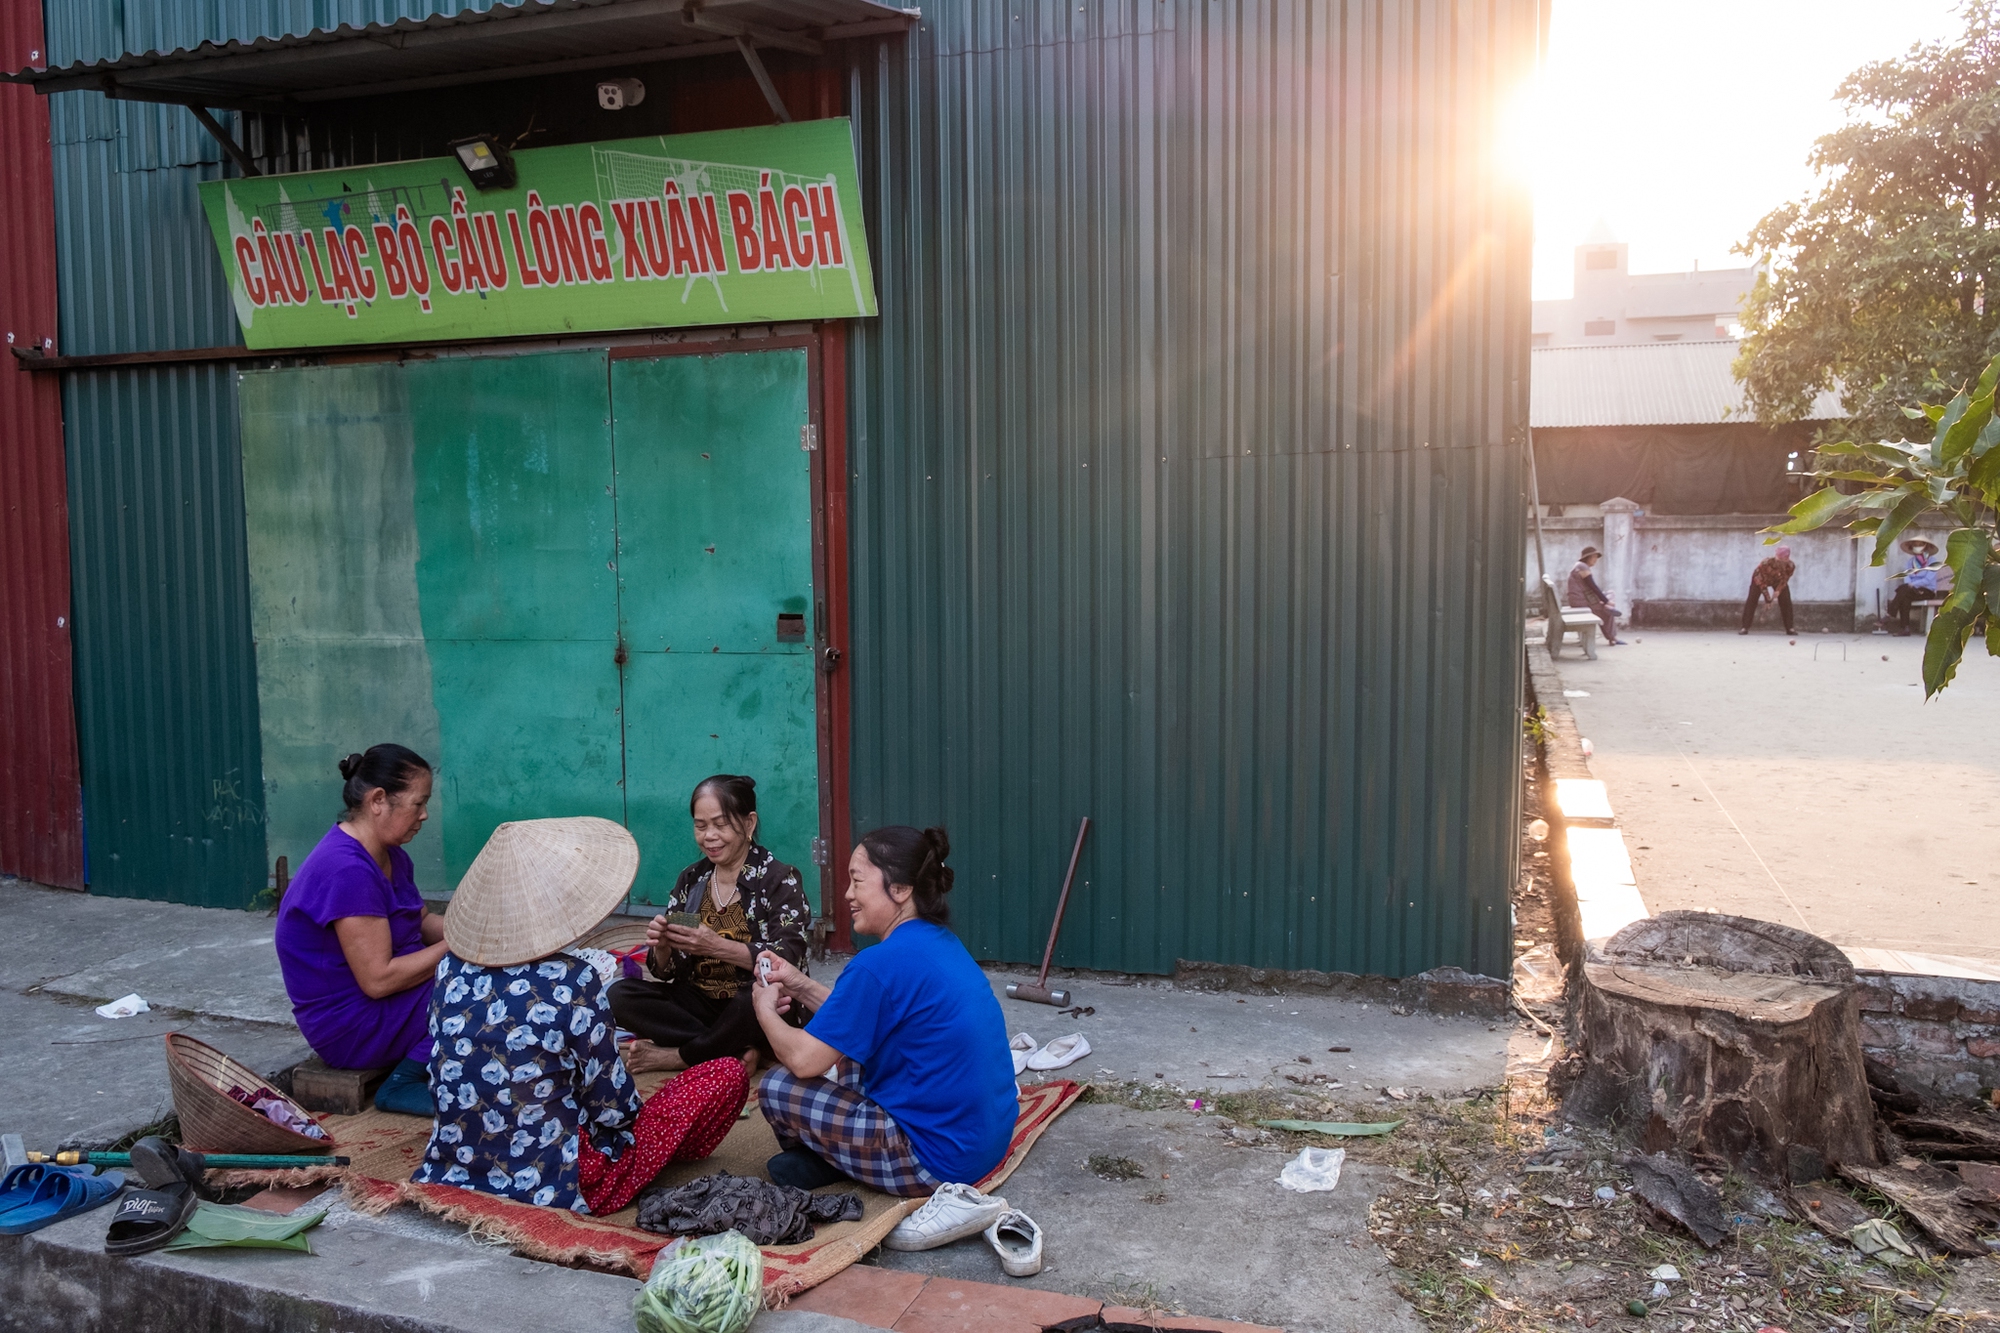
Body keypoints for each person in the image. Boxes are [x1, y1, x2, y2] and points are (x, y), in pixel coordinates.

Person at [413, 817, 750, 1215]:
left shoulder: (451, 967)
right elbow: (613, 1108)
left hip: (457, 1164)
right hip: (558, 1179)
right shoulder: (572, 979)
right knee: (726, 1074)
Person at [749, 826, 1017, 1199]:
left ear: (901, 889)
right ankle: (835, 1159)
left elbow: (804, 1060)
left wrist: (764, 1011)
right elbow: (856, 1018)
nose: (847, 894)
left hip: (936, 1163)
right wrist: (799, 984)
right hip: (985, 1144)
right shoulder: (938, 940)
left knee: (779, 1086)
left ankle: (827, 1158)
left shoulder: (878, 963)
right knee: (850, 1045)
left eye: (857, 881)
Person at [275, 745, 448, 1116]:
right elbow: (379, 980)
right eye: (418, 803)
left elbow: (418, 922)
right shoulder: (346, 869)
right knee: (472, 985)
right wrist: (460, 946)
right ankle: (404, 1083)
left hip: (390, 1002)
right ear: (378, 800)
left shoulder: (391, 855)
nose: (424, 814)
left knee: (490, 969)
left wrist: (483, 931)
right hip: (351, 1025)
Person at [609, 775, 812, 1073]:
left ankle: (680, 1056)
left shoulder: (779, 879)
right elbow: (666, 972)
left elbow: (785, 960)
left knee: (754, 1002)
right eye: (700, 826)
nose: (709, 836)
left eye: (721, 824)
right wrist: (664, 946)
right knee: (619, 995)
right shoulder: (692, 880)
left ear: (748, 824)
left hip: (755, 1002)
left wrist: (716, 946)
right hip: (701, 1005)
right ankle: (735, 1050)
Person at [1889, 536, 1948, 636]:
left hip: (1927, 591)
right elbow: (1907, 576)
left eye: (1920, 544)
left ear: (1926, 546)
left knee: (1903, 591)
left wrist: (1913, 584)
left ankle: (1890, 615)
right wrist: (1909, 585)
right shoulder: (1910, 562)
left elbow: (1928, 580)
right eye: (1915, 545)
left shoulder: (1932, 561)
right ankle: (1905, 629)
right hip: (1911, 590)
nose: (1917, 547)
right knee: (1905, 596)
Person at [1565, 546, 1623, 645]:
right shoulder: (1582, 567)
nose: (1596, 560)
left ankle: (1608, 607)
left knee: (1610, 593)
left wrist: (1603, 600)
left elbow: (1591, 589)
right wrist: (1606, 601)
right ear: (1587, 557)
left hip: (1582, 598)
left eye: (1596, 557)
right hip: (1581, 601)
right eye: (1594, 557)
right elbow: (1593, 587)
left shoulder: (1579, 566)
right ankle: (1612, 638)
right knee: (1606, 611)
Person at [1739, 544, 1797, 635]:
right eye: (1779, 559)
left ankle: (1790, 628)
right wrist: (1768, 599)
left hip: (1777, 581)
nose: (1781, 562)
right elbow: (1761, 583)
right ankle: (1744, 627)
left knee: (1786, 600)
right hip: (1760, 580)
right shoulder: (1766, 563)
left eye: (1784, 559)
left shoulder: (1790, 566)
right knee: (1752, 600)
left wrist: (1778, 590)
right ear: (1776, 557)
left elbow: (1784, 580)